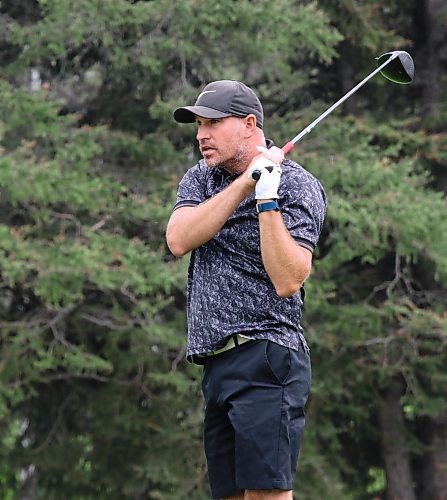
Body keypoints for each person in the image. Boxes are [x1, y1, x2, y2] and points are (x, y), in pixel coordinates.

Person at [166, 80, 326, 500]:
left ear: (249, 124)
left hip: (266, 356)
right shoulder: (201, 178)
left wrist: (266, 199)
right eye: (199, 125)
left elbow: (289, 277)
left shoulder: (296, 185)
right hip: (216, 366)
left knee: (266, 495)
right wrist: (243, 185)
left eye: (213, 124)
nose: (201, 135)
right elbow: (179, 238)